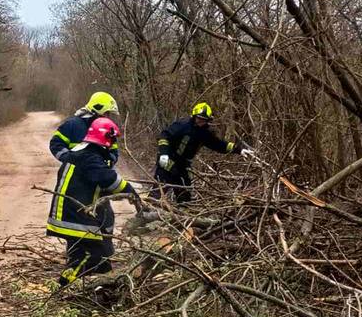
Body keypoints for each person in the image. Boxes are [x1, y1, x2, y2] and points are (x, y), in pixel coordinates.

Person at [46, 117, 140, 287]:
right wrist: (132, 192)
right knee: (94, 255)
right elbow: (109, 180)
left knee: (91, 257)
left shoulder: (81, 153)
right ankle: (64, 286)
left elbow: (99, 186)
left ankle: (102, 288)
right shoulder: (90, 158)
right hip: (76, 217)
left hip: (73, 213)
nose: (113, 145)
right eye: (112, 140)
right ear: (104, 138)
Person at [151, 102, 254, 203]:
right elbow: (164, 136)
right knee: (158, 191)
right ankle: (145, 211)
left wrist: (239, 150)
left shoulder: (204, 133)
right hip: (168, 161)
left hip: (182, 166)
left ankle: (178, 217)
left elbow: (218, 144)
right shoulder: (182, 125)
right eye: (199, 118)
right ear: (194, 116)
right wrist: (164, 154)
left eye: (204, 120)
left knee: (185, 196)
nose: (200, 122)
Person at [49, 91, 120, 164]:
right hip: (75, 173)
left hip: (99, 172)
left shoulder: (106, 129)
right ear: (97, 108)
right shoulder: (72, 124)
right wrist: (69, 158)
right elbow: (56, 144)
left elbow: (113, 151)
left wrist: (108, 161)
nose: (107, 117)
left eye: (108, 114)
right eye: (106, 113)